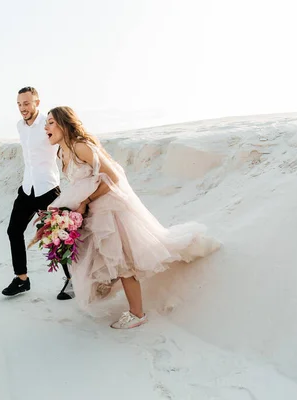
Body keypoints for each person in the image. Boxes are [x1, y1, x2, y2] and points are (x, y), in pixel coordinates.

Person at [44, 106, 220, 328]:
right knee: (104, 258)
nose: (46, 127)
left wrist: (86, 202)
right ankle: (112, 295)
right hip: (92, 211)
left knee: (122, 260)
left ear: (63, 123)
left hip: (109, 208)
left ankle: (137, 314)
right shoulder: (62, 152)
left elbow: (114, 177)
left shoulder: (81, 146)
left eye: (50, 122)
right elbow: (82, 183)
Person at [2, 87, 75, 300]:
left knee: (58, 237)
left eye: (26, 103)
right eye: (19, 104)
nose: (22, 108)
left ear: (37, 102)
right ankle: (22, 279)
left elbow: (65, 142)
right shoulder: (19, 126)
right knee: (13, 231)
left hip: (47, 189)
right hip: (27, 188)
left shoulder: (48, 123)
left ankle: (72, 282)